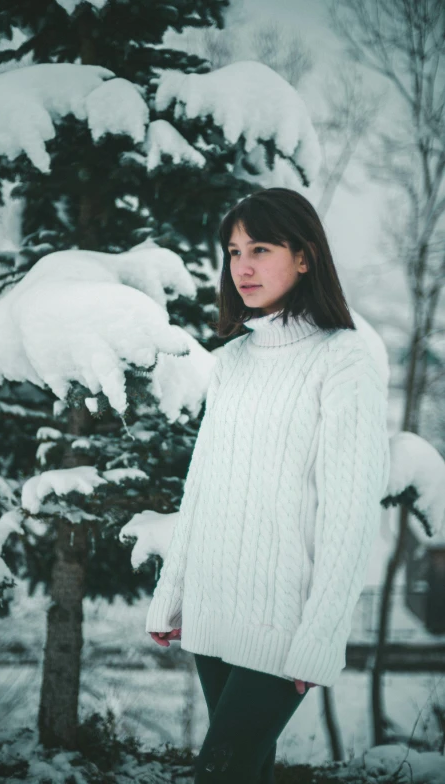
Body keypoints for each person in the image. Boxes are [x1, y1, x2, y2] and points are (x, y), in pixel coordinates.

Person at [145, 187, 390, 783]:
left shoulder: (344, 359)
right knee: (245, 773)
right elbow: (201, 491)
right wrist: (171, 591)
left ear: (304, 257)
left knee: (219, 774)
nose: (243, 267)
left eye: (260, 248)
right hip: (213, 609)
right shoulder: (231, 362)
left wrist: (321, 636)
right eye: (233, 252)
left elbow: (350, 513)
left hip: (283, 624)